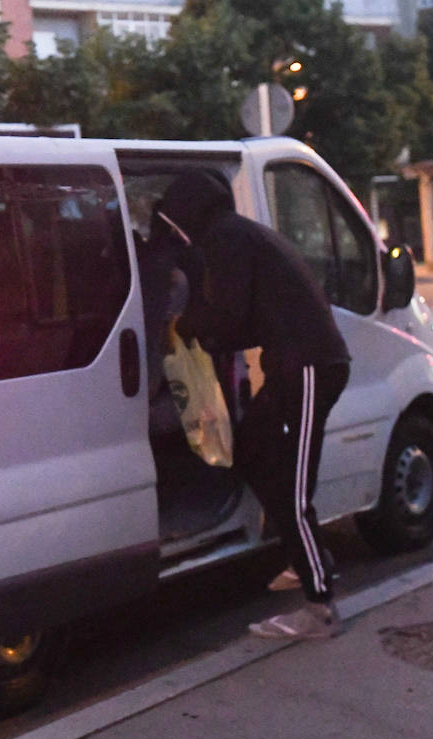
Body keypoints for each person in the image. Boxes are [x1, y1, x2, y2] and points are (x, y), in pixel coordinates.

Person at [156, 168, 351, 639]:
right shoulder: (236, 234)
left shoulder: (226, 241)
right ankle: (308, 557)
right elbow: (241, 317)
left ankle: (319, 605)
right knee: (253, 447)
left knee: (294, 491)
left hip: (309, 367)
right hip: (293, 364)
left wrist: (187, 326)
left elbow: (227, 312)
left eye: (174, 220)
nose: (175, 230)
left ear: (189, 210)